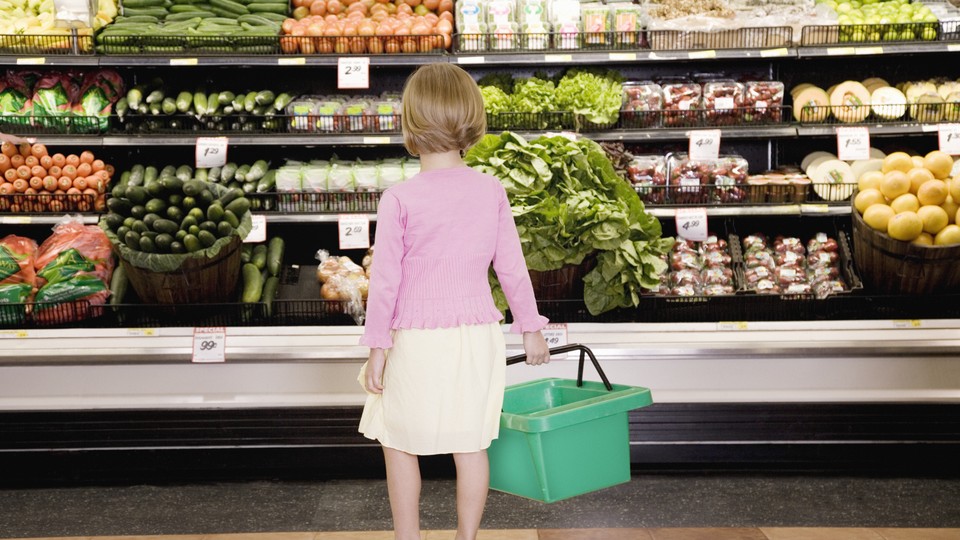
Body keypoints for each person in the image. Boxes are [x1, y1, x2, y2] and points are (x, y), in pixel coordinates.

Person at [357, 63, 551, 540]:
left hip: (416, 338)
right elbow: (512, 265)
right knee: (471, 443)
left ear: (409, 122)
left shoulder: (399, 198)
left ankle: (409, 537)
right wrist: (531, 327)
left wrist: (377, 346)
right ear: (473, 121)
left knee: (398, 440)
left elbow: (385, 282)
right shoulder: (491, 190)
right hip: (475, 335)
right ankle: (467, 537)